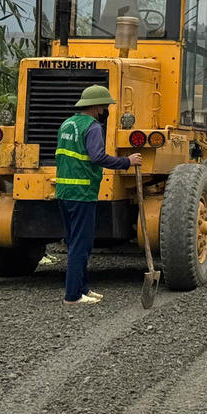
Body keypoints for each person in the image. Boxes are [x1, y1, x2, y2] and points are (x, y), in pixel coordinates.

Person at [55, 84, 142, 305]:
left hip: (64, 191)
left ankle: (83, 288)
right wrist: (126, 162)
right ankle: (73, 295)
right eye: (103, 106)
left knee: (75, 241)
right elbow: (97, 157)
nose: (104, 110)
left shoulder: (67, 123)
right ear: (96, 107)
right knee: (80, 246)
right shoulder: (92, 127)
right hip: (83, 193)